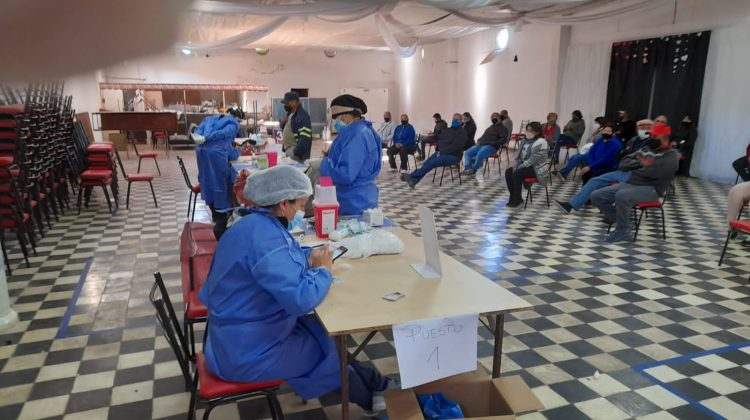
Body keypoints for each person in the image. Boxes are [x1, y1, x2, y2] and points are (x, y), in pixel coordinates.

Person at [199, 165, 389, 416]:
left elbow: (283, 257)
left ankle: (375, 382)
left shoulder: (251, 224)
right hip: (246, 353)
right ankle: (371, 401)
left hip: (235, 334)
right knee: (326, 353)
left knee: (322, 334)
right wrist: (323, 272)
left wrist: (310, 256)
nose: (301, 212)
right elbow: (301, 299)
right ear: (283, 203)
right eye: (300, 206)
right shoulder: (266, 239)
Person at [589, 123, 679, 242]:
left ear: (665, 138)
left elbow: (652, 174)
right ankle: (620, 218)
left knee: (622, 196)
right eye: (651, 136)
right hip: (632, 183)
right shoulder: (646, 149)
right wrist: (641, 164)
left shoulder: (671, 157)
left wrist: (636, 168)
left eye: (656, 137)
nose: (652, 140)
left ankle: (623, 231)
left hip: (652, 189)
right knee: (596, 195)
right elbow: (623, 162)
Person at [555, 126, 665, 214]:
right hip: (623, 169)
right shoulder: (633, 140)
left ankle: (604, 209)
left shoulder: (652, 144)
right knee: (594, 180)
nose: (642, 129)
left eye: (646, 127)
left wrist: (629, 160)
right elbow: (620, 156)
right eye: (640, 127)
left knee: (595, 178)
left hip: (634, 174)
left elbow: (633, 160)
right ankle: (572, 204)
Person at [320, 94, 382, 215]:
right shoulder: (360, 131)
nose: (335, 122)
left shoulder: (357, 135)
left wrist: (325, 164)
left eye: (336, 118)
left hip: (354, 201)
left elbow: (346, 174)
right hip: (360, 198)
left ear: (347, 115)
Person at [195, 114, 240, 236]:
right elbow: (229, 152)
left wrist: (206, 138)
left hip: (201, 153)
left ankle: (217, 215)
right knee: (220, 185)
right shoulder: (232, 125)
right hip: (216, 157)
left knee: (207, 182)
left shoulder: (209, 120)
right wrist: (239, 151)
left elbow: (197, 132)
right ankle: (222, 220)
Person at [403, 113, 466, 188]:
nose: (454, 121)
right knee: (427, 162)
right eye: (453, 119)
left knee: (433, 162)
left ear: (461, 121)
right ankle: (414, 181)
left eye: (457, 120)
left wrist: (442, 152)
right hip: (442, 153)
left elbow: (455, 147)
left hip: (454, 156)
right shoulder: (449, 130)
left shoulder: (462, 133)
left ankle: (411, 176)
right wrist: (427, 137)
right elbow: (439, 137)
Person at [505, 122, 549, 208]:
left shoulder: (541, 143)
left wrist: (519, 167)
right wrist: (516, 165)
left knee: (517, 173)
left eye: (531, 131)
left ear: (537, 132)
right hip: (525, 166)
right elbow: (519, 157)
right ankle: (514, 197)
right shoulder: (524, 141)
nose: (528, 132)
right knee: (508, 172)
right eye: (527, 130)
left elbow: (532, 160)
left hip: (536, 168)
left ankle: (517, 199)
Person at [280, 91, 313, 162]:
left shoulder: (303, 116)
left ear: (294, 102)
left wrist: (296, 152)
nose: (285, 105)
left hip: (295, 154)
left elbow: (305, 138)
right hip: (289, 151)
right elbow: (288, 129)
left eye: (287, 103)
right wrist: (282, 123)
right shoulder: (290, 114)